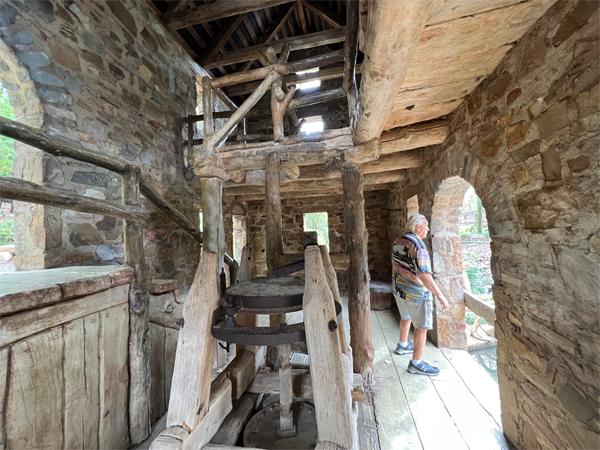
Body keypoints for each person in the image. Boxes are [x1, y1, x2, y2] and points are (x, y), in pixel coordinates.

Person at [392, 214, 449, 376]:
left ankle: (403, 345)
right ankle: (416, 363)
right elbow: (424, 275)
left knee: (405, 317)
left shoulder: (398, 240)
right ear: (418, 227)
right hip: (415, 293)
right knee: (421, 327)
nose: (428, 229)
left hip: (399, 289)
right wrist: (440, 295)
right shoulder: (418, 245)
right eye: (426, 225)